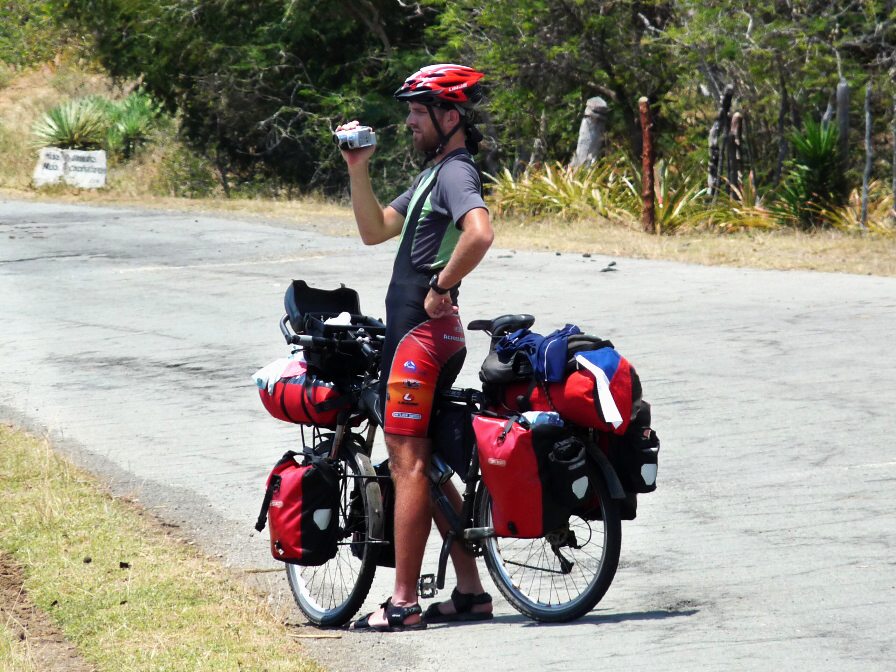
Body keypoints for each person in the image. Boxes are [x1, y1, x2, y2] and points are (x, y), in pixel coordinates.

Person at [337, 64, 495, 632]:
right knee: (424, 466)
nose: (408, 121)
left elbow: (479, 232)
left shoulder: (455, 173)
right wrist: (360, 168)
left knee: (407, 467)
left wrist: (442, 285)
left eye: (418, 112)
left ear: (449, 118)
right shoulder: (433, 174)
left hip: (419, 340)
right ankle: (472, 591)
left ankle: (403, 601)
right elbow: (375, 229)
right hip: (425, 338)